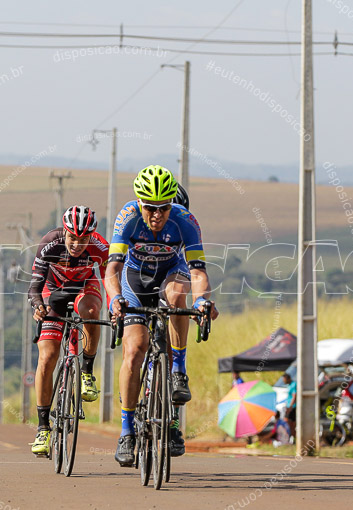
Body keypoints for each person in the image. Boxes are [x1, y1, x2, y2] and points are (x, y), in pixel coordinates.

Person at [106, 165, 219, 465]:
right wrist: (115, 298)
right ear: (140, 204)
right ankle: (127, 432)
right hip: (135, 281)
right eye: (151, 208)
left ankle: (178, 371)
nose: (157, 215)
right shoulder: (128, 217)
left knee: (178, 296)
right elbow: (112, 270)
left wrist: (203, 303)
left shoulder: (185, 221)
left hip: (169, 274)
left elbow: (198, 272)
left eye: (164, 208)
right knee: (134, 350)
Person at [28, 206, 108, 455]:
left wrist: (118, 307)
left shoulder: (101, 248)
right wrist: (38, 305)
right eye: (73, 238)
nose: (77, 244)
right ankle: (43, 429)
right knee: (47, 357)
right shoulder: (49, 244)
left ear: (91, 236)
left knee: (93, 313)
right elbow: (35, 286)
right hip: (53, 289)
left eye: (83, 239)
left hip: (85, 286)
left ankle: (86, 372)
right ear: (65, 232)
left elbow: (110, 281)